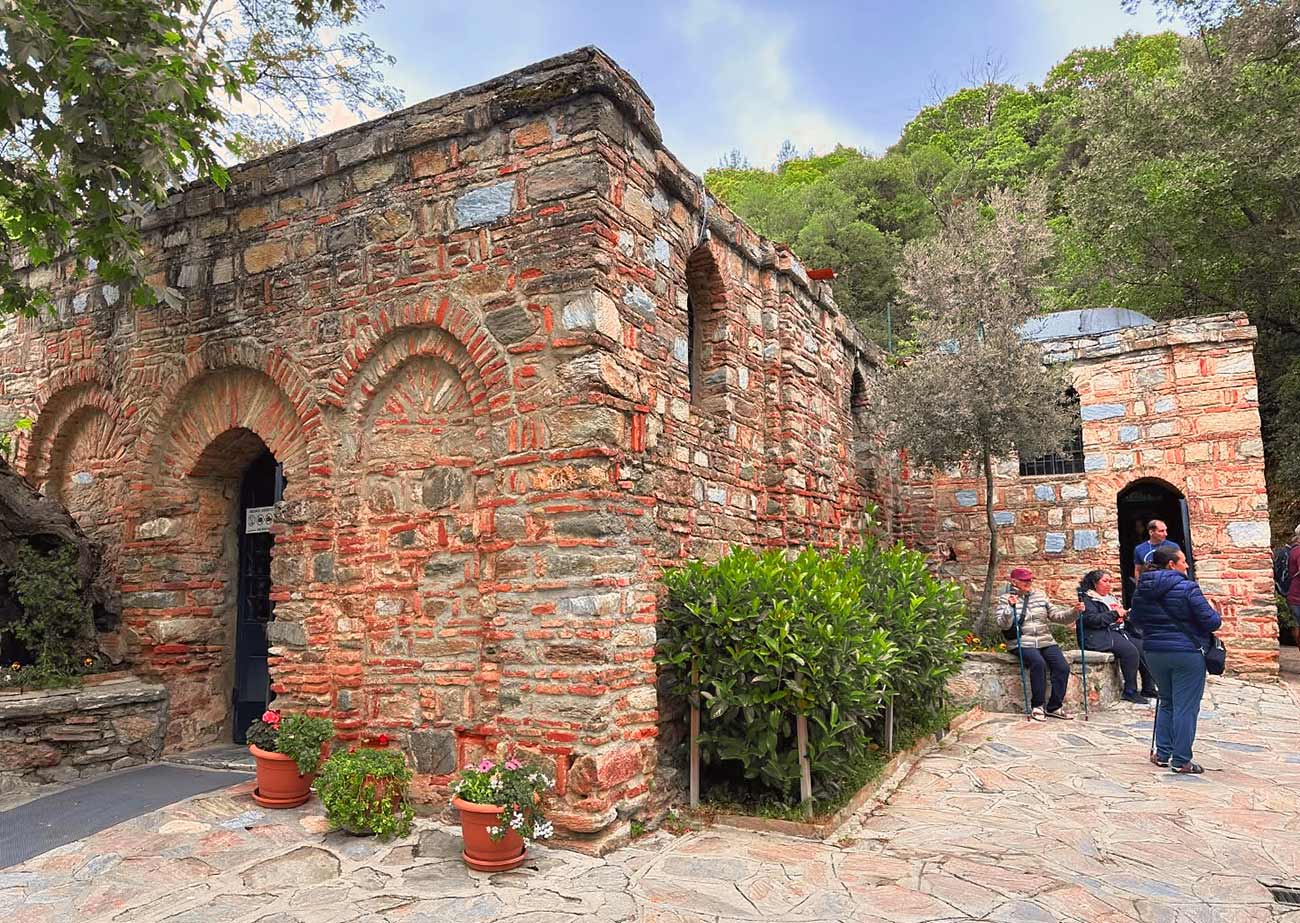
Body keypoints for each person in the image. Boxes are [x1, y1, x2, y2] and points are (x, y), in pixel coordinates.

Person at [1128, 547, 1222, 774]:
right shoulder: (1188, 588)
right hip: (1186, 652)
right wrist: (1216, 611)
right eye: (1183, 561)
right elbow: (1211, 623)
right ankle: (1181, 760)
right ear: (1171, 564)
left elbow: (1136, 620)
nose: (1187, 566)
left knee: (1167, 700)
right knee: (1186, 706)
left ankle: (1162, 753)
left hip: (1153, 651)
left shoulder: (1143, 589)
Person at [996, 566, 1085, 721]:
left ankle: (1054, 707)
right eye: (1024, 580)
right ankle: (1037, 706)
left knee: (1062, 667)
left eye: (1030, 579)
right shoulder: (1005, 598)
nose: (1028, 582)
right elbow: (1002, 624)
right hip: (1021, 642)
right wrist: (1010, 608)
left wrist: (1075, 611)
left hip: (1045, 640)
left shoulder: (1040, 596)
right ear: (1014, 581)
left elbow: (1058, 616)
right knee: (1038, 663)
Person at [1076, 570, 1158, 704]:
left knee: (1143, 648)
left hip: (1117, 631)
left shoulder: (1110, 597)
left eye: (1110, 581)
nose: (1109, 585)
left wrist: (1126, 614)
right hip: (1098, 635)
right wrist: (1114, 614)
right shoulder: (1087, 599)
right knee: (1130, 652)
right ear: (1094, 583)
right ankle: (1130, 690)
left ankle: (1148, 687)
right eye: (1105, 581)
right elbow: (1091, 620)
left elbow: (1118, 614)